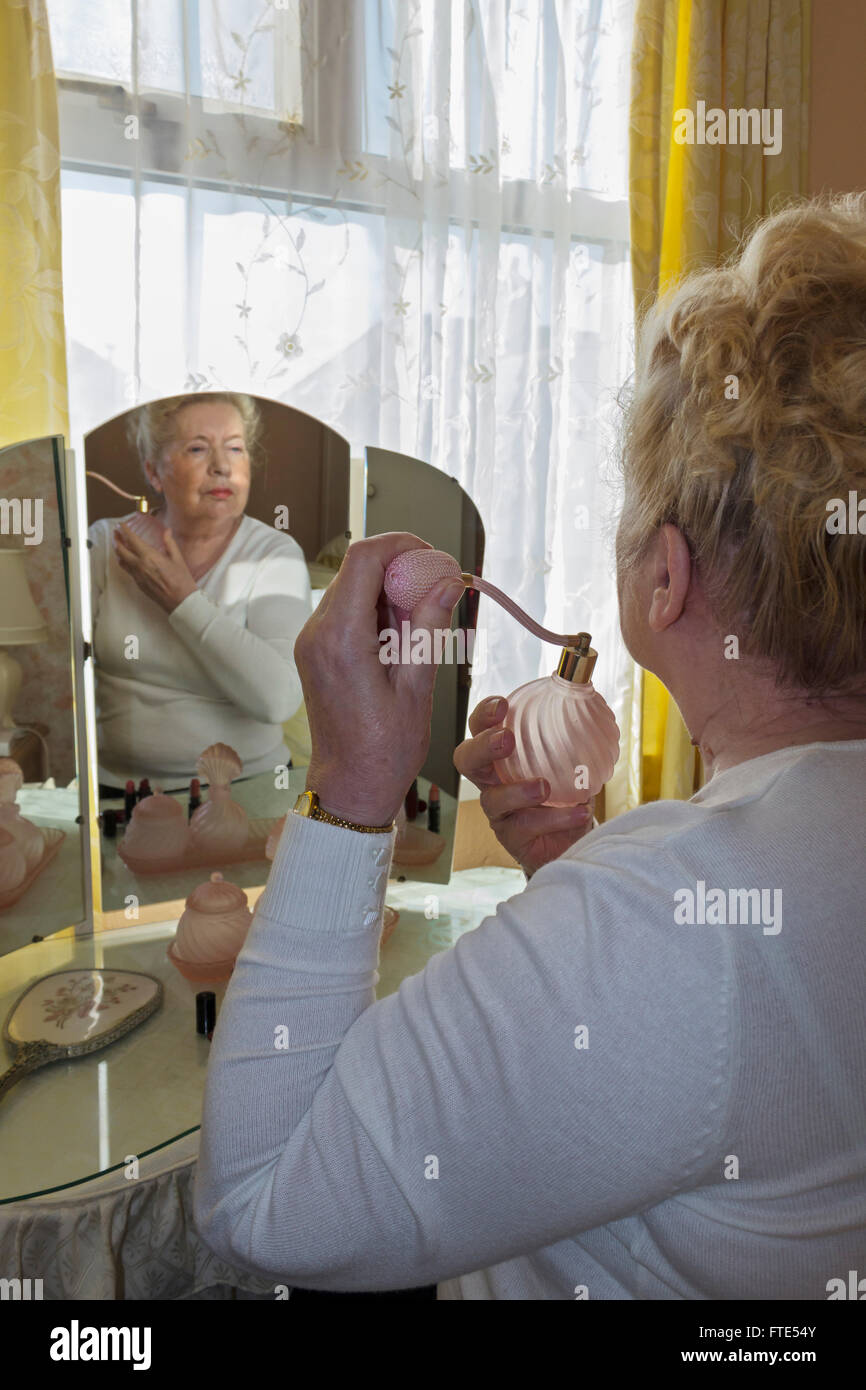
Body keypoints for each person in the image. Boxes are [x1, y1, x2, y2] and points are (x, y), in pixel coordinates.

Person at [194, 194, 866, 1299]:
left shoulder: (672, 917)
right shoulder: (699, 897)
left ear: (665, 574)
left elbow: (262, 1200)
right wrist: (575, 873)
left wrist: (352, 786)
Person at [88, 393, 311, 791]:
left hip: (248, 791)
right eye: (197, 449)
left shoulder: (274, 554)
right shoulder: (106, 544)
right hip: (119, 794)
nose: (222, 467)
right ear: (154, 472)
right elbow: (65, 672)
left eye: (235, 449)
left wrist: (182, 599)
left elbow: (278, 700)